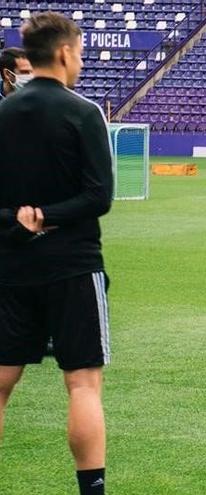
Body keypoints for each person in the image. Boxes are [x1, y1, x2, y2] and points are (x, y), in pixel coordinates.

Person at [0, 12, 113, 495]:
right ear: (65, 52)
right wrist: (47, 215)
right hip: (73, 265)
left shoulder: (3, 114)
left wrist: (19, 221)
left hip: (10, 266)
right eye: (82, 53)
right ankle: (91, 490)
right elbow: (98, 197)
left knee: (1, 384)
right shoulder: (84, 112)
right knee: (82, 385)